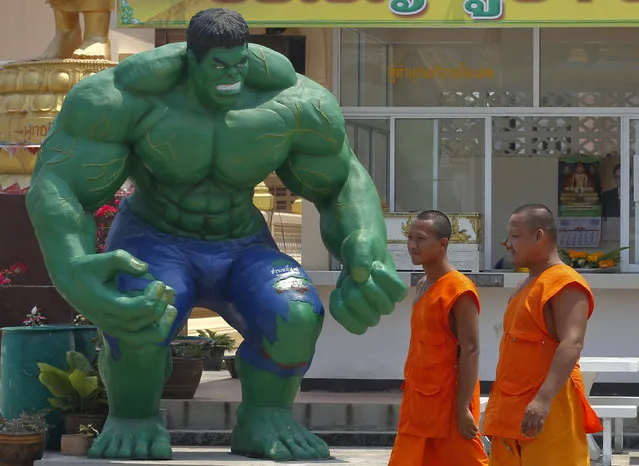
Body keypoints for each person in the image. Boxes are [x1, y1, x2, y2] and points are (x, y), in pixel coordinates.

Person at [25, 8, 407, 461]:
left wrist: (364, 242)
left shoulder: (290, 101)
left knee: (296, 311)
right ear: (192, 58)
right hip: (154, 236)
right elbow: (59, 180)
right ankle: (133, 415)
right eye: (218, 66)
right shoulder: (127, 96)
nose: (231, 78)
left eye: (239, 64)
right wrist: (70, 263)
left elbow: (341, 179)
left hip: (241, 242)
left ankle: (266, 416)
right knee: (140, 308)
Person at [482, 204, 602, 466]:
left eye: (514, 236)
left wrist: (543, 400)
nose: (507, 244)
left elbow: (572, 342)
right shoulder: (528, 284)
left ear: (538, 236)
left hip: (547, 410)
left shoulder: (565, 282)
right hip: (513, 410)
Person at [388, 210, 488, 466]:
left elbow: (471, 349)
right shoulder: (424, 284)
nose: (412, 245)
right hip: (418, 401)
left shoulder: (459, 288)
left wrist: (463, 407)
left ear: (443, 244)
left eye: (420, 239)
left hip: (450, 405)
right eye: (409, 238)